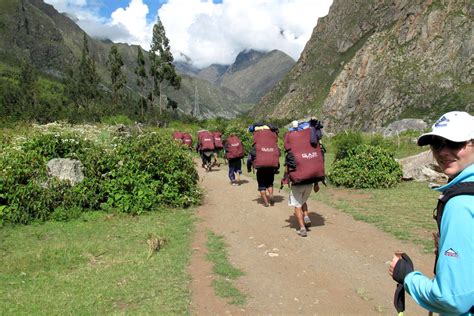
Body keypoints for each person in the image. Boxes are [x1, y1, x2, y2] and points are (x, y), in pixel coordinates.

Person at [388, 111, 474, 315]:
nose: (443, 152)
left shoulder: (460, 204)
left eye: (454, 142)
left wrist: (407, 277)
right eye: (437, 143)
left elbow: (452, 299)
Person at [284, 119, 325, 237]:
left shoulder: (292, 150)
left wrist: (285, 179)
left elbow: (288, 168)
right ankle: (306, 216)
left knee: (297, 205)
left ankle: (302, 228)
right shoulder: (310, 147)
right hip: (310, 182)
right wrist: (317, 184)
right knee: (303, 201)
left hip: (298, 182)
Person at [247, 125, 280, 207]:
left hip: (260, 169)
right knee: (269, 183)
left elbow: (249, 159)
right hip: (271, 169)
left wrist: (249, 168)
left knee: (262, 185)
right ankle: (271, 195)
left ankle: (266, 202)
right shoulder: (272, 145)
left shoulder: (256, 147)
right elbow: (278, 155)